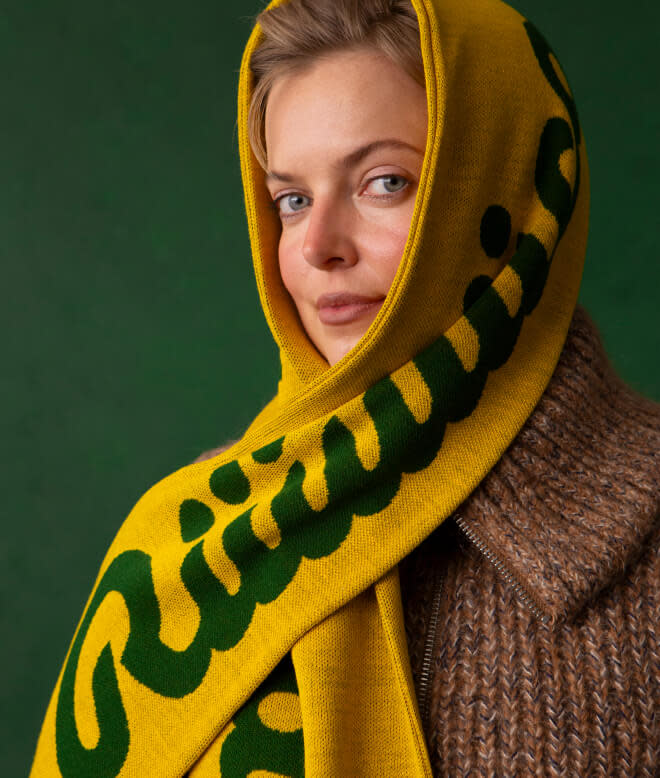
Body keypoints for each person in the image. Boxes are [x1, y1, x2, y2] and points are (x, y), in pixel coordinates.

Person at [31, 0, 660, 775]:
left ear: (507, 188)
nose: (317, 246)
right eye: (292, 200)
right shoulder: (192, 543)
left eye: (383, 182)